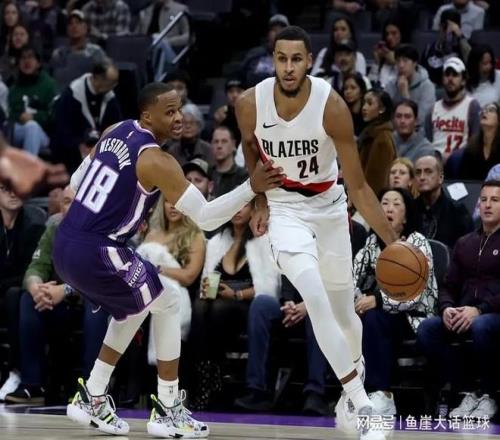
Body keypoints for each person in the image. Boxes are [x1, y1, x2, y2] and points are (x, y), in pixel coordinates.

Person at [52, 81, 284, 438]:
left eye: (179, 110)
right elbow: (206, 218)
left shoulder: (115, 130)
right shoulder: (157, 160)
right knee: (169, 300)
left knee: (138, 305)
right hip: (99, 249)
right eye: (169, 112)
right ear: (148, 116)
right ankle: (168, 408)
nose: (179, 118)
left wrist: (113, 201)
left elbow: (77, 181)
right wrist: (251, 186)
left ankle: (93, 394)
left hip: (66, 242)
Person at [236, 26, 398, 440]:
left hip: (328, 209)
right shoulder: (249, 104)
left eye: (297, 59)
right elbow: (251, 150)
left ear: (310, 61)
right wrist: (260, 202)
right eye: (281, 59)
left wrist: (393, 243)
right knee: (315, 296)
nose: (288, 68)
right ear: (273, 60)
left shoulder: (332, 106)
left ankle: (350, 385)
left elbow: (358, 187)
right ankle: (363, 405)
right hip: (286, 211)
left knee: (345, 314)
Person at [417, 180, 500, 419]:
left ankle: (489, 394)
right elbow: (448, 285)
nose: (487, 205)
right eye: (483, 200)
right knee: (427, 330)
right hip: (463, 312)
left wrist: (479, 310)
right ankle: (465, 389)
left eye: (495, 200)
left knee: (481, 327)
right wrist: (447, 308)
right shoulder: (465, 243)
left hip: (492, 314)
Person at [353, 187, 438, 415]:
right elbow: (351, 277)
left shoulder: (417, 242)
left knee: (375, 317)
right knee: (354, 318)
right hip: (380, 314)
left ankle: (382, 393)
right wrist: (356, 301)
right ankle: (350, 392)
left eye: (396, 204)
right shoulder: (372, 242)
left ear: (406, 215)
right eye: (384, 203)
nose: (389, 208)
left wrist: (377, 300)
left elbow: (416, 295)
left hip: (414, 317)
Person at [425, 57, 480, 163]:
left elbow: (475, 142)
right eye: (447, 75)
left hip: (460, 163)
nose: (450, 79)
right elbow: (427, 142)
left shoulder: (472, 106)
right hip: (435, 162)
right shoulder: (433, 108)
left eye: (455, 75)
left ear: (463, 81)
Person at [414, 154, 473, 248]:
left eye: (428, 172)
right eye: (418, 172)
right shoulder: (409, 209)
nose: (422, 177)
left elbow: (469, 247)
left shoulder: (457, 211)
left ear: (440, 178)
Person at [358, 88, 397, 197]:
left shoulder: (382, 138)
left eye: (369, 103)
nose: (364, 107)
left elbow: (376, 181)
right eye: (364, 103)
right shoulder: (370, 133)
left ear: (382, 108)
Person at [457, 102, 500, 181]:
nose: (484, 112)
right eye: (483, 110)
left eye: (491, 110)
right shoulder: (471, 147)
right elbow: (463, 178)